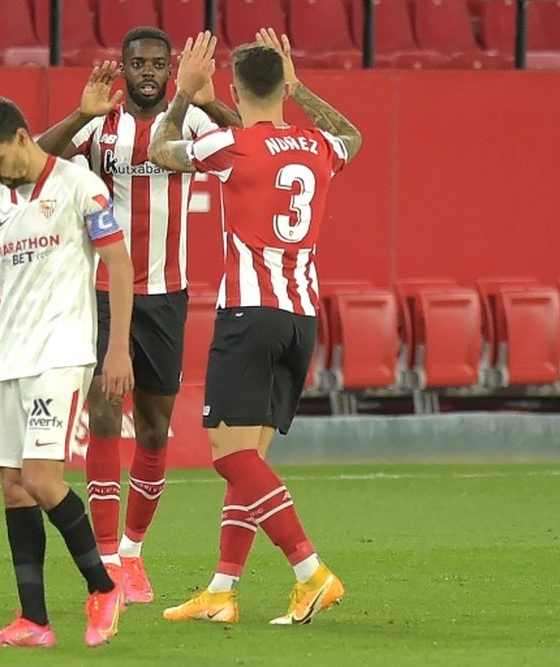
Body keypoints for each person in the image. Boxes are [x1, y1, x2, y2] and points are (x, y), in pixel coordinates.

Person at [147, 29, 363, 625]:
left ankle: (310, 571)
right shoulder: (318, 145)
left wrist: (186, 94)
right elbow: (354, 136)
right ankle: (221, 590)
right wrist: (304, 89)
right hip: (301, 318)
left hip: (250, 314)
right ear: (283, 85)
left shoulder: (231, 147)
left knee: (228, 455)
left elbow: (162, 149)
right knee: (252, 457)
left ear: (236, 89)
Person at [36, 26, 242, 603]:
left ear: (170, 69)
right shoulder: (103, 124)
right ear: (123, 69)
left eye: (157, 63)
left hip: (167, 297)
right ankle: (104, 560)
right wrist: (80, 115)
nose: (147, 72)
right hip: (101, 291)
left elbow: (255, 144)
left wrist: (209, 100)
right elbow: (38, 159)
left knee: (153, 429)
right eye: (138, 63)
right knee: (104, 415)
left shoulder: (191, 124)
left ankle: (132, 555)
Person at [0, 95, 135, 648]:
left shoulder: (78, 186)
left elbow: (118, 265)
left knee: (43, 480)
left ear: (23, 137)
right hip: (10, 359)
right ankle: (33, 621)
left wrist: (116, 347)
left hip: (61, 351)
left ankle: (104, 587)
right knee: (13, 488)